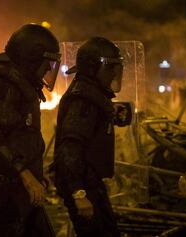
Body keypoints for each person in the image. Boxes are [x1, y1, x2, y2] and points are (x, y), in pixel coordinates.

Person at [0, 23, 61, 237]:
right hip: (2, 193)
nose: (49, 69)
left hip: (22, 188)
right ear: (30, 59)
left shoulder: (21, 83)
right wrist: (26, 175)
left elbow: (20, 135)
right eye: (45, 63)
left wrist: (35, 173)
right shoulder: (3, 84)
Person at [50, 37, 123, 237]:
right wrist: (78, 194)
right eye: (109, 68)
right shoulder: (83, 100)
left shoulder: (92, 93)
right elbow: (70, 148)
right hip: (82, 186)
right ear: (93, 68)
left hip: (90, 183)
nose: (113, 74)